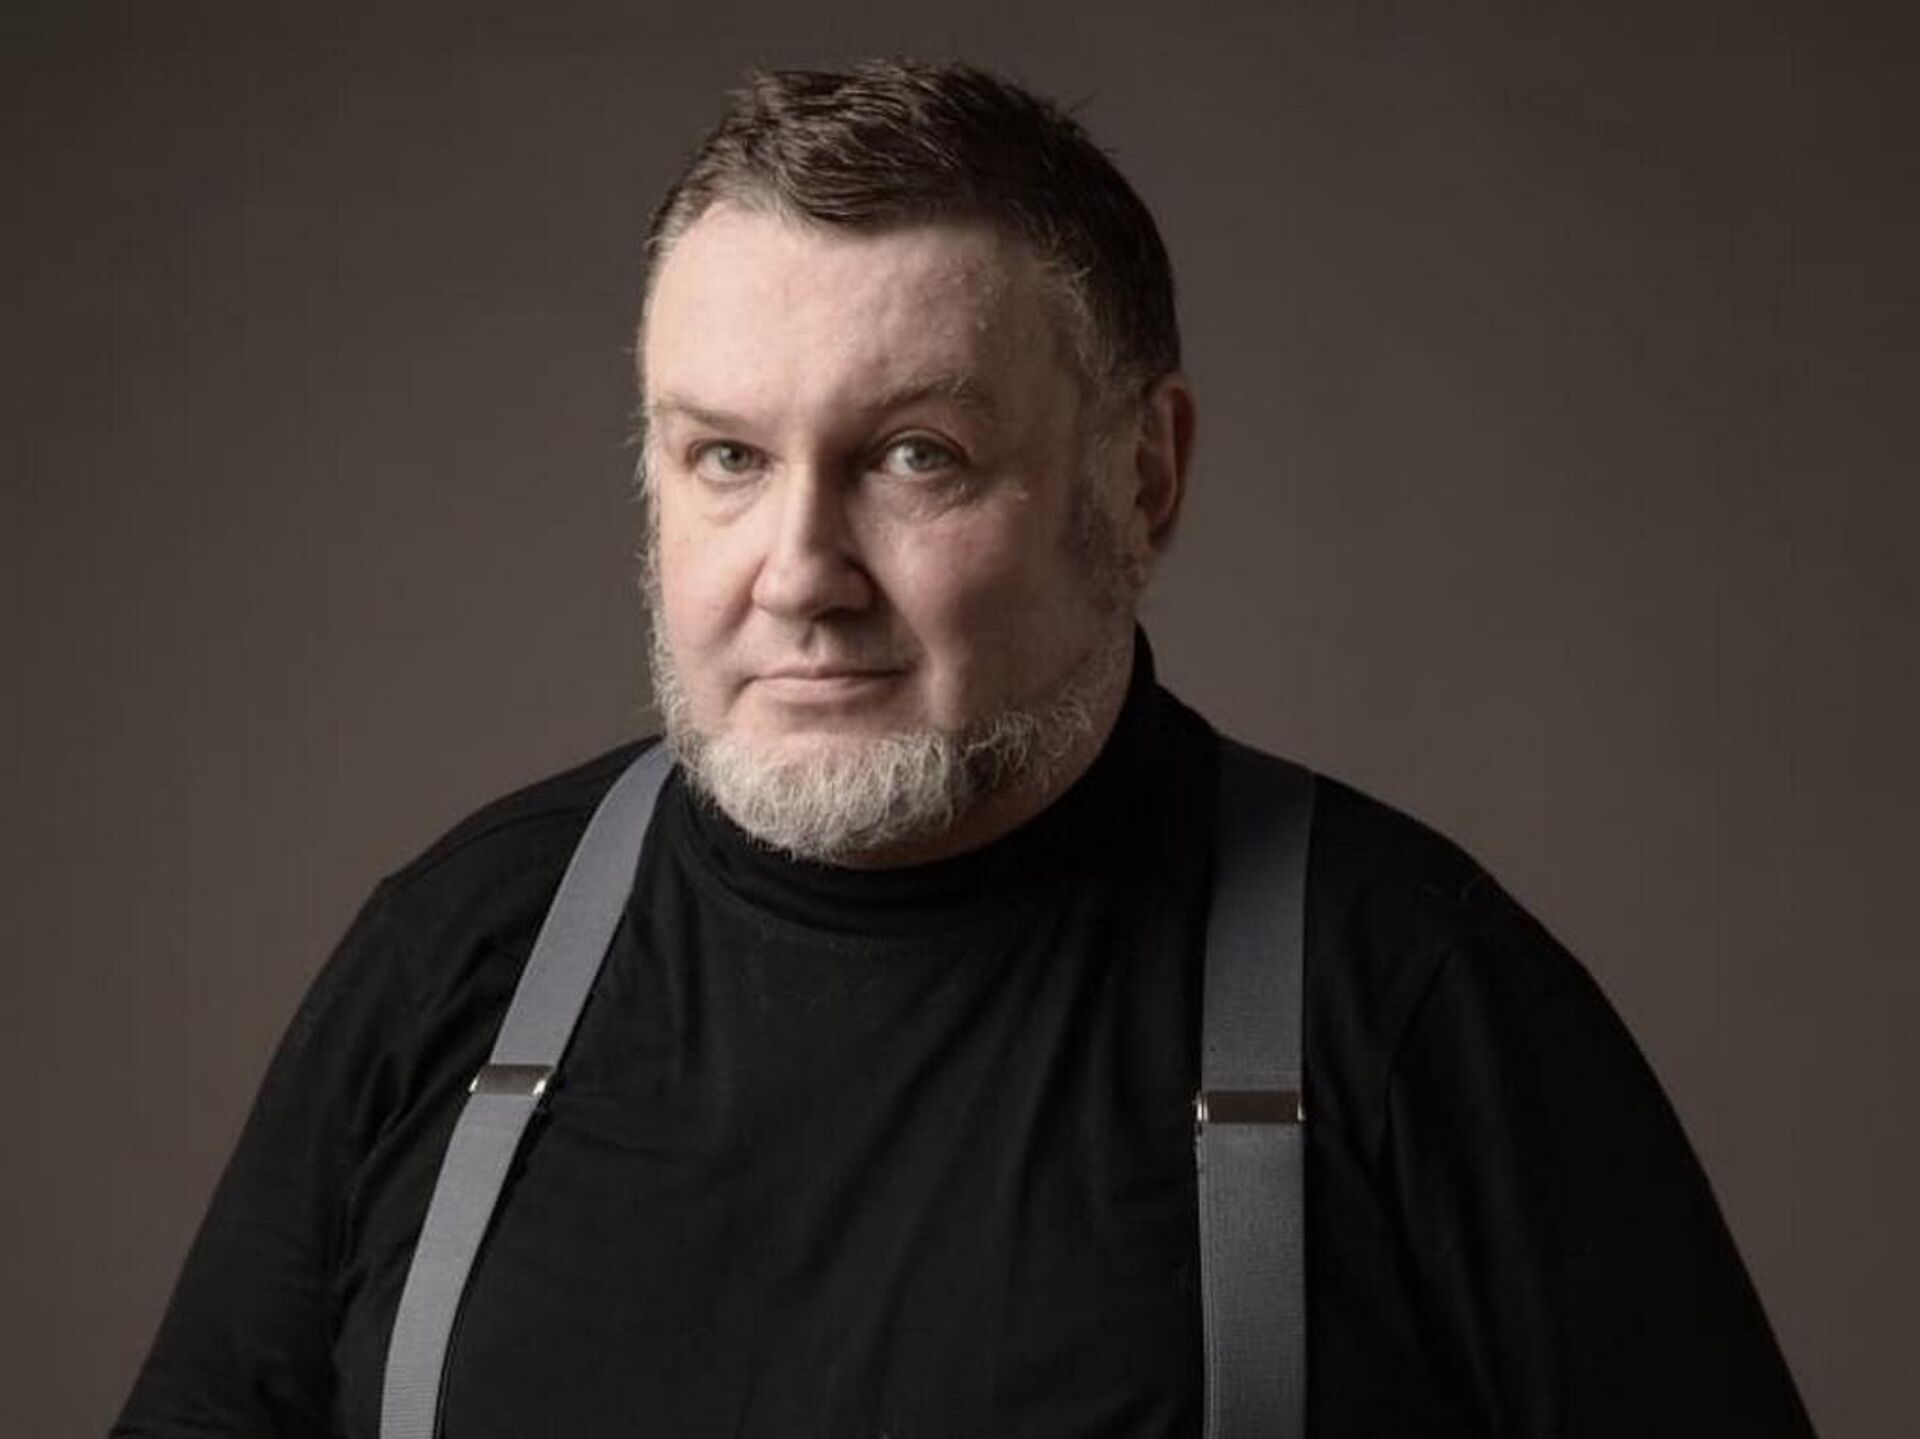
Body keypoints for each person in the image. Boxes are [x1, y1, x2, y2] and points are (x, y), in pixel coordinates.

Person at [114, 60, 1814, 1439]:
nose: (800, 573)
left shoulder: (1409, 999)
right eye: (725, 458)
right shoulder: (456, 956)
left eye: (915, 456)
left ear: (1143, 479)